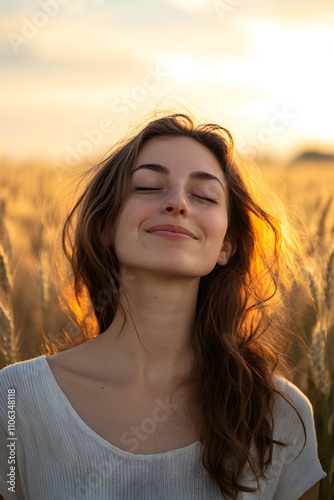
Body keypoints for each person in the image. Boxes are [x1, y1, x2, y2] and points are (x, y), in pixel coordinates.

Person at [0, 113, 325, 499]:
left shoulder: (280, 416)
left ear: (226, 246)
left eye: (204, 196)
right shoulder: (14, 400)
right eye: (149, 186)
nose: (177, 203)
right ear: (105, 224)